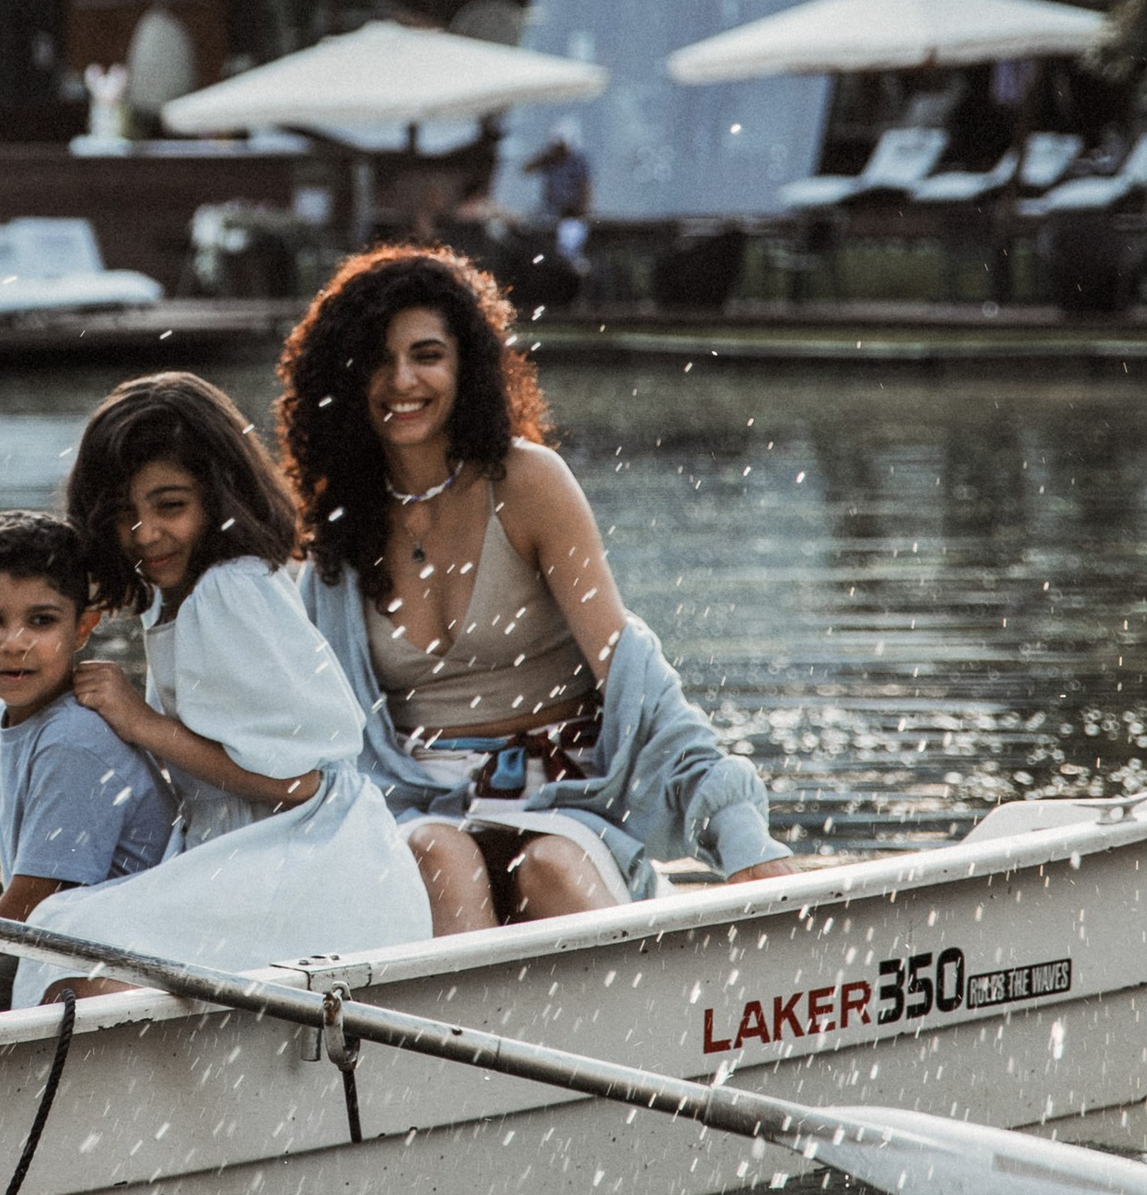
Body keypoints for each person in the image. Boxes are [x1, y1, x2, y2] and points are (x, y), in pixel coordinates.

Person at [278, 246, 792, 936]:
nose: (401, 380)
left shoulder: (527, 484)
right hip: (415, 813)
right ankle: (463, 1042)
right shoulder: (335, 527)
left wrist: (738, 833)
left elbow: (635, 678)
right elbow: (318, 732)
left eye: (427, 354)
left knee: (545, 870)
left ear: (467, 365)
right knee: (440, 858)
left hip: (565, 804)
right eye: (377, 358)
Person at [6, 372, 427, 995]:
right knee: (65, 935)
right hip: (264, 852)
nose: (145, 534)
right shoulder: (179, 597)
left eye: (170, 506)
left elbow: (297, 780)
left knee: (68, 942)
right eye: (124, 514)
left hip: (316, 863)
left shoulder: (229, 589)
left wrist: (142, 723)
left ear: (220, 497)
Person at [0, 510, 176, 1026]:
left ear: (84, 627)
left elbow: (32, 902)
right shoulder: (8, 714)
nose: (14, 642)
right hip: (57, 938)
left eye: (42, 621)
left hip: (108, 953)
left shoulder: (74, 738)